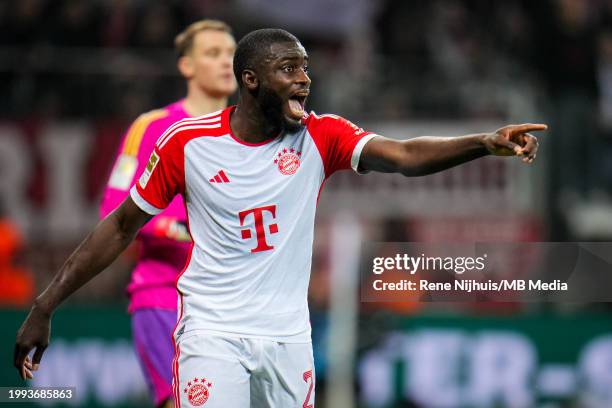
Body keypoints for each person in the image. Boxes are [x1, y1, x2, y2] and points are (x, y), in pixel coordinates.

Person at [14, 28, 546, 407]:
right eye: (289, 69)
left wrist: (482, 143)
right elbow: (120, 226)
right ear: (250, 80)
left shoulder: (321, 135)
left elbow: (405, 156)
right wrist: (45, 304)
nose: (304, 80)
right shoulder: (187, 143)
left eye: (306, 69)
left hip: (290, 339)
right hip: (212, 332)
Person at [100, 19, 236, 408]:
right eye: (212, 54)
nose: (225, 62)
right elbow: (114, 210)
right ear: (186, 66)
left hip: (232, 303)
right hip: (165, 296)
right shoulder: (151, 127)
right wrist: (183, 230)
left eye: (230, 54)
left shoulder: (250, 133)